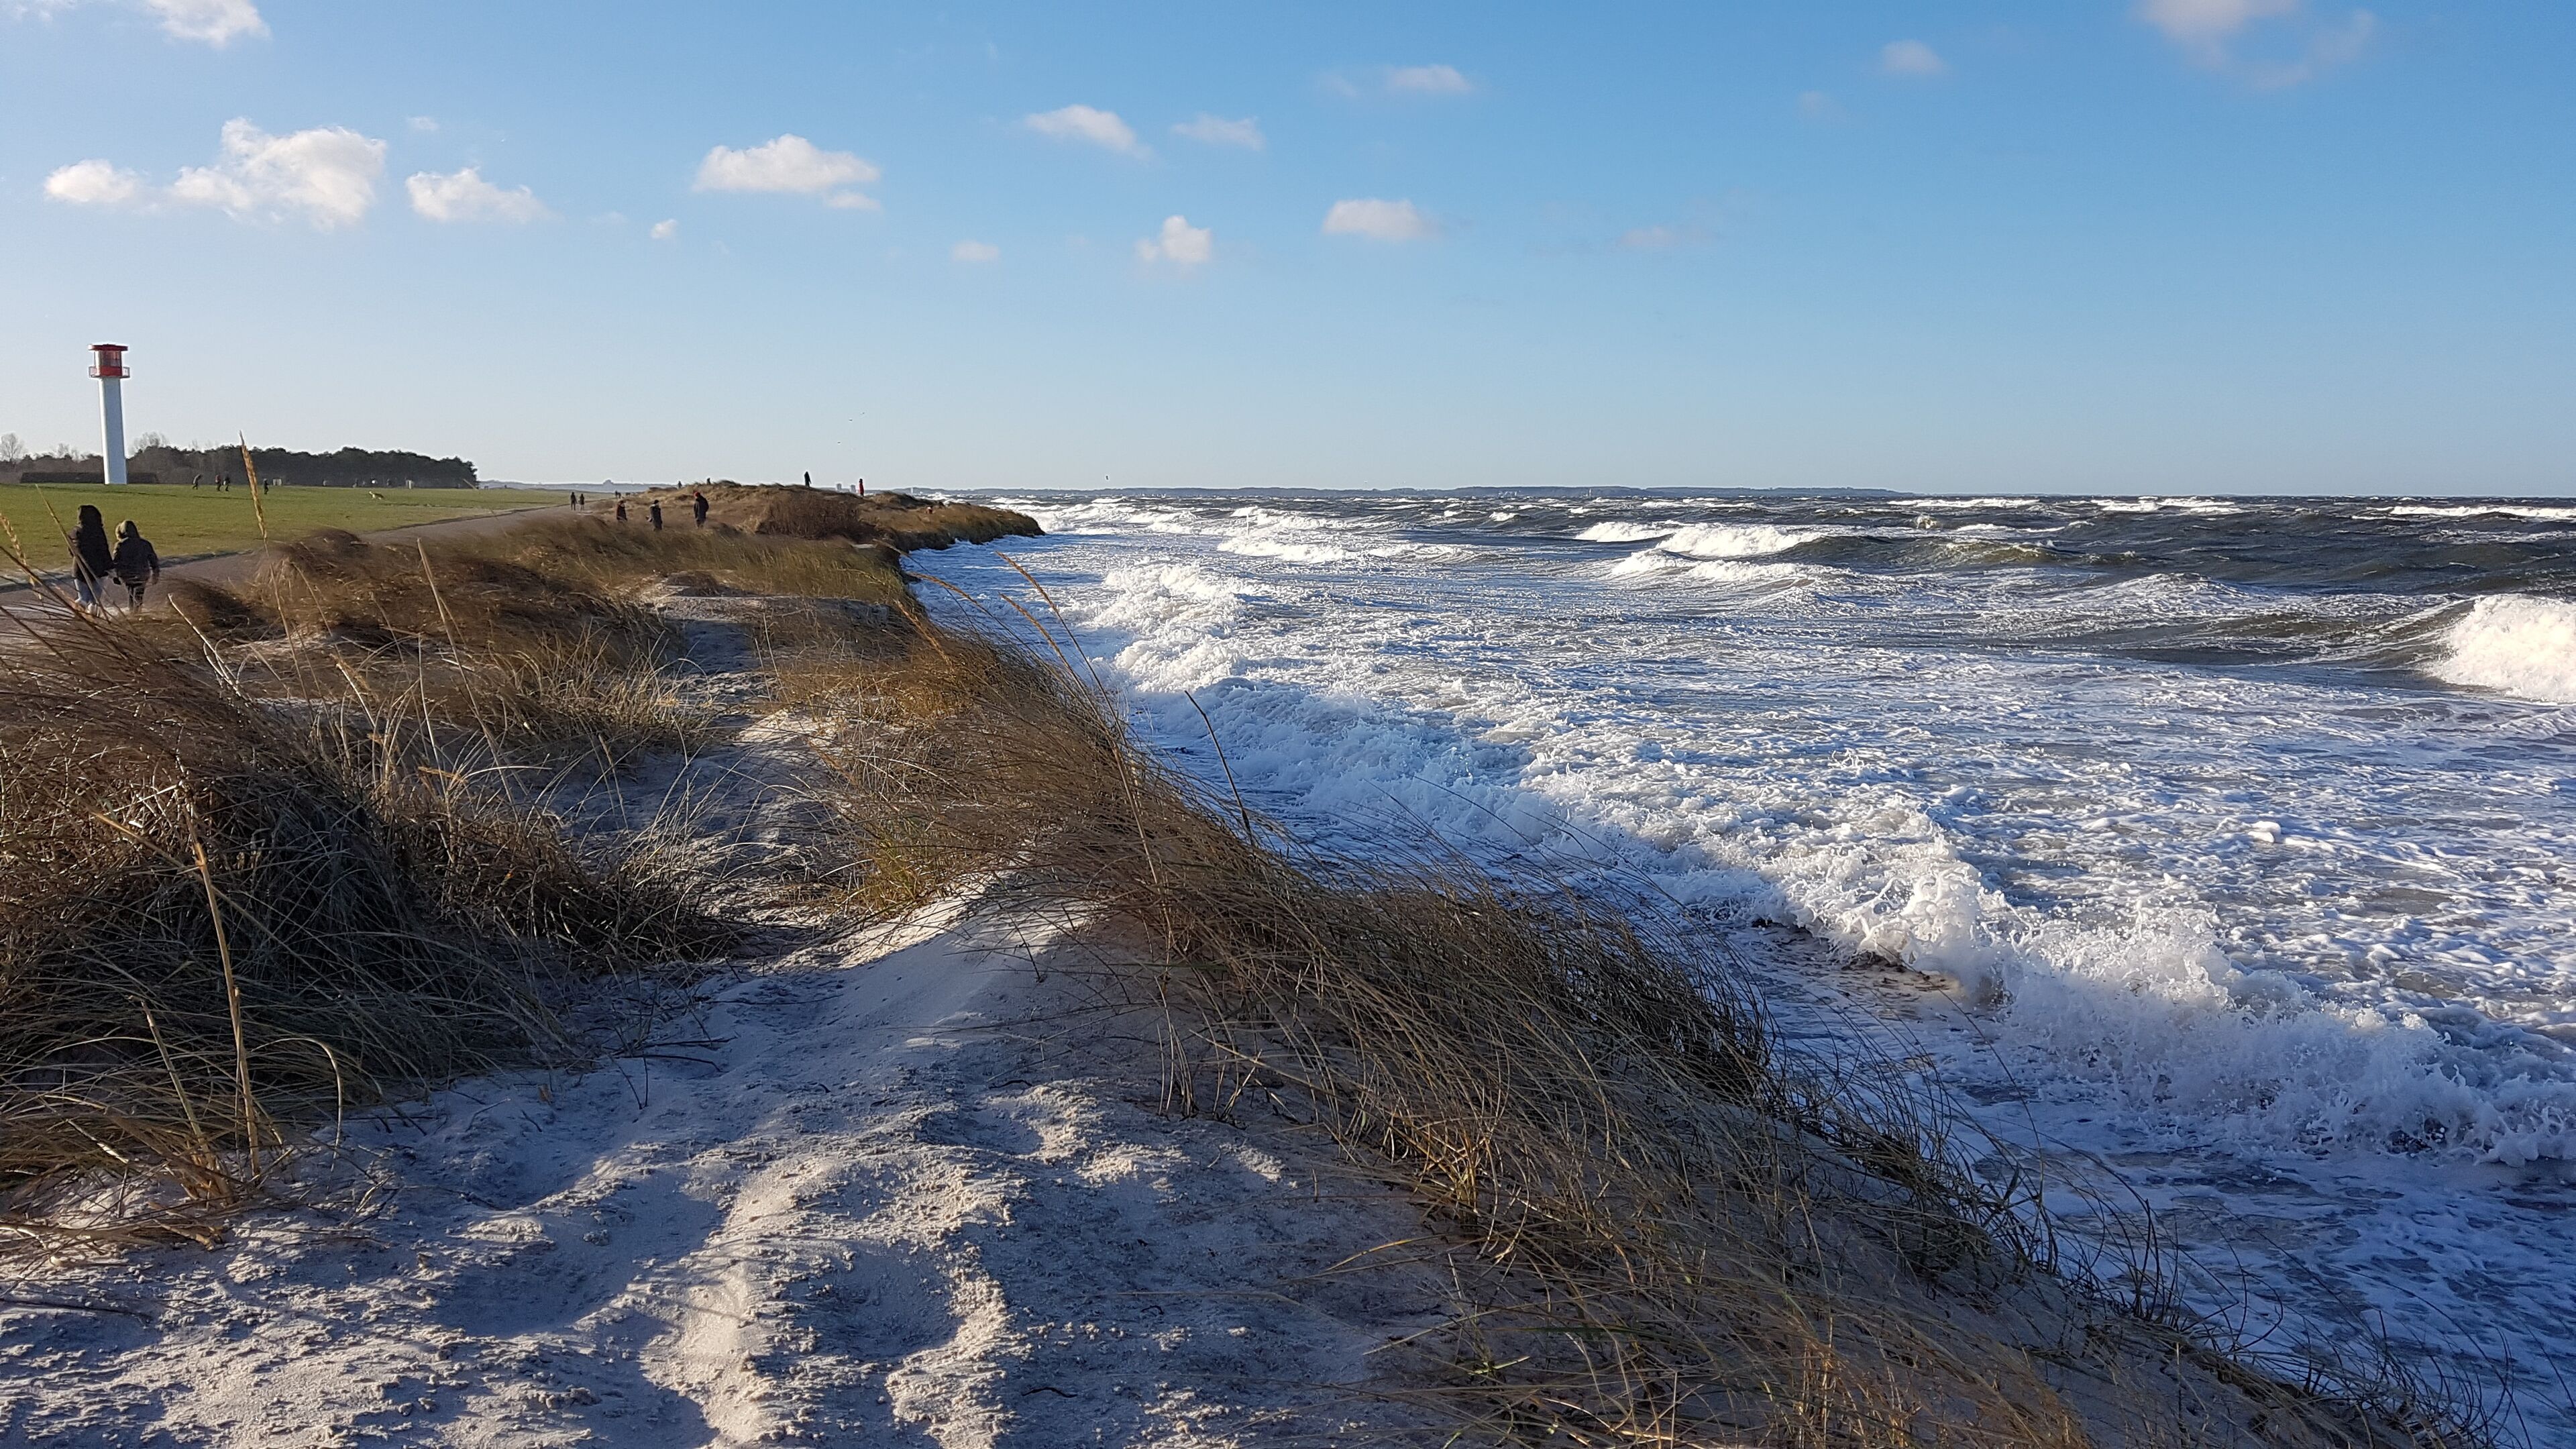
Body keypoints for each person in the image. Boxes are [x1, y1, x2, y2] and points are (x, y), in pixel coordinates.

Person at [67, 505, 113, 611]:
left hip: (79, 568)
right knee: (95, 600)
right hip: (98, 569)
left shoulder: (74, 532)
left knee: (82, 597)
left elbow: (71, 551)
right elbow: (104, 550)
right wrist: (110, 567)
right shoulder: (98, 531)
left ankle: (79, 612)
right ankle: (93, 614)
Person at [111, 520, 160, 610]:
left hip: (127, 574)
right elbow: (154, 561)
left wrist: (116, 576)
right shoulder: (145, 544)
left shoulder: (120, 545)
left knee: (130, 592)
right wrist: (155, 574)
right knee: (139, 593)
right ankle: (137, 610)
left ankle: (132, 610)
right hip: (143, 573)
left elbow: (116, 562)